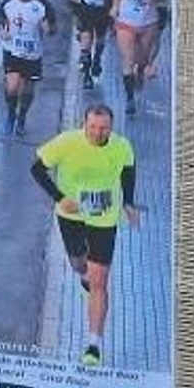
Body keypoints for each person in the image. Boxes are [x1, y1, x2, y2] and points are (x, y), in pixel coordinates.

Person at [31, 104, 140, 367]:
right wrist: (60, 198)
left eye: (103, 128)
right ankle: (83, 276)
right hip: (71, 215)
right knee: (79, 264)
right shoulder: (67, 142)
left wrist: (128, 202)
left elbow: (128, 172)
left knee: (100, 279)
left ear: (111, 127)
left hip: (104, 217)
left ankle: (93, 345)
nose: (97, 132)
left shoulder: (122, 146)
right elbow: (36, 169)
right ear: (84, 124)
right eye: (92, 127)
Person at [111, 0, 167, 117]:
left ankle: (141, 70)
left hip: (148, 22)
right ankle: (129, 99)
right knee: (128, 60)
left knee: (142, 58)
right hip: (126, 22)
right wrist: (114, 7)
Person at [0, 0, 55, 137]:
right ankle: (10, 114)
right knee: (12, 86)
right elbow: (1, 20)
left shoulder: (42, 5)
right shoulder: (8, 3)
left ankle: (22, 116)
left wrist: (48, 28)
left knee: (28, 91)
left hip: (32, 55)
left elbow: (53, 29)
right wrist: (3, 31)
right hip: (12, 52)